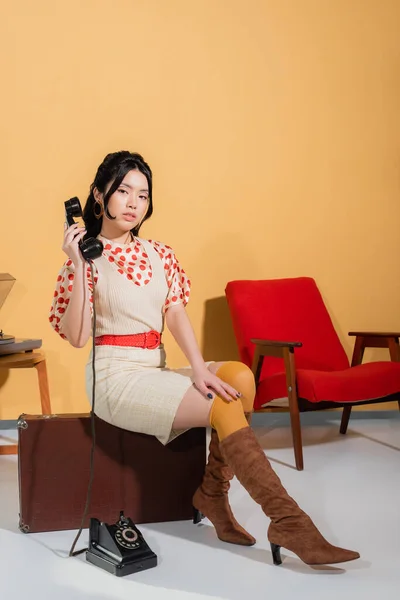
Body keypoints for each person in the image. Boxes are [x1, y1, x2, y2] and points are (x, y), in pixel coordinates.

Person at [49, 150, 359, 566]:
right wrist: (79, 263)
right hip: (114, 378)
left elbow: (175, 312)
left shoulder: (160, 254)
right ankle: (288, 521)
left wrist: (198, 368)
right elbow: (78, 336)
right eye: (122, 191)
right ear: (99, 194)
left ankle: (212, 494)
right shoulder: (83, 259)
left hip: (153, 366)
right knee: (226, 402)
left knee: (239, 377)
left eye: (142, 195)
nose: (132, 203)